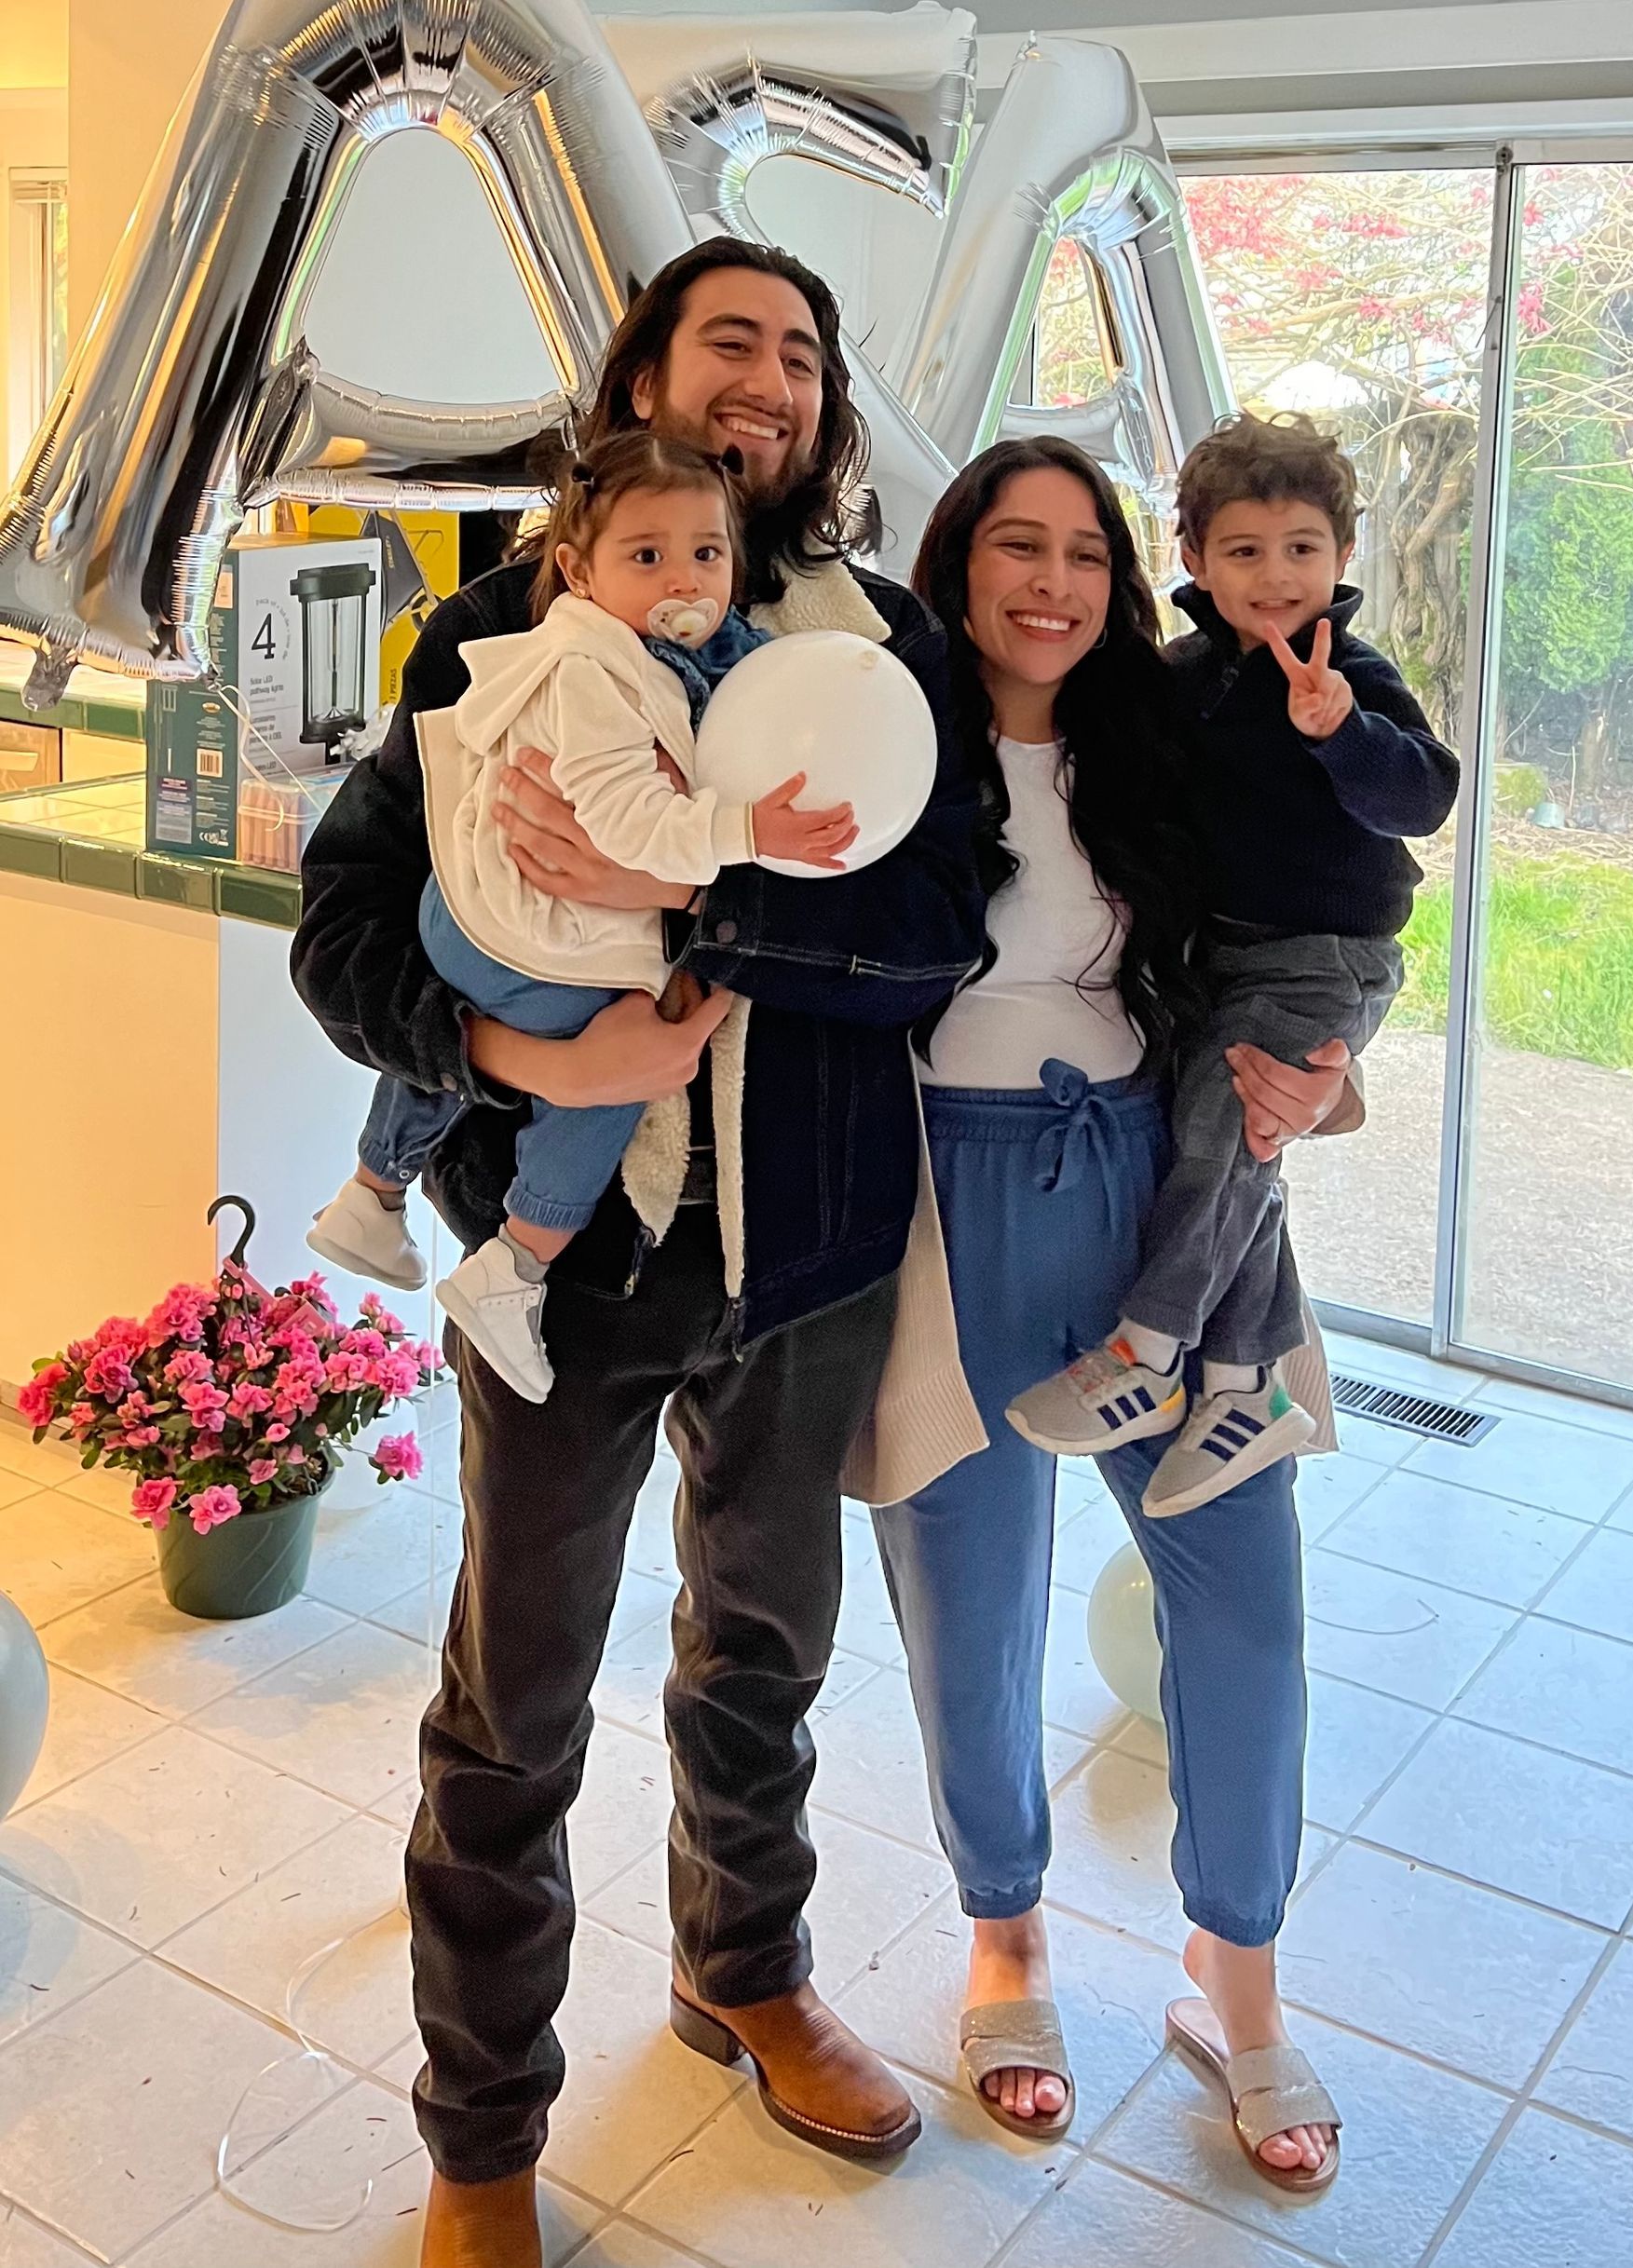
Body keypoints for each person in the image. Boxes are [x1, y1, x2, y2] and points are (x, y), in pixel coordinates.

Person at [292, 238, 983, 2268]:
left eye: (800, 351)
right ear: (652, 382)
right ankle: (482, 2127)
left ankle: (742, 1968)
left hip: (801, 1254)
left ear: (820, 405)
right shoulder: (507, 632)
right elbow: (346, 938)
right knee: (516, 1698)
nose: (767, 378)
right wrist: (519, 1039)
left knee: (762, 1647)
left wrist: (716, 906)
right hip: (567, 1254)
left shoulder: (880, 640)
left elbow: (934, 934)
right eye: (728, 342)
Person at [872, 435, 1355, 2192]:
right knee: (968, 1598)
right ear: (958, 564)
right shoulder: (885, 735)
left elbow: (1311, 918)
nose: (1055, 581)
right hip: (948, 1204)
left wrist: (1326, 1075)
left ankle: (1236, 1968)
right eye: (1019, 545)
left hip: (1166, 1200)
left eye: (1085, 550)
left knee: (1246, 1595)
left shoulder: (1171, 735)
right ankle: (1005, 1935)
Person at [306, 432, 855, 1404]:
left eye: (706, 555)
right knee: (613, 1074)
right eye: (647, 557)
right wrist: (746, 830)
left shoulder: (663, 644)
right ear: (577, 568)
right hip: (524, 937)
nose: (682, 579)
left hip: (479, 923)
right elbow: (626, 824)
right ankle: (514, 1264)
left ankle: (371, 1193)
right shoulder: (591, 669)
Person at [1007, 413, 1458, 1516]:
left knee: (1227, 1133)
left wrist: (1341, 730)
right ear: (1194, 558)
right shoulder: (1184, 673)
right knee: (1230, 1145)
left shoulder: (1349, 672)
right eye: (1245, 551)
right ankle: (1249, 1388)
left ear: (1342, 557)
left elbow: (1427, 795)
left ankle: (1151, 1352)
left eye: (1302, 548)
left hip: (1325, 955)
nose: (1276, 575)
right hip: (1221, 953)